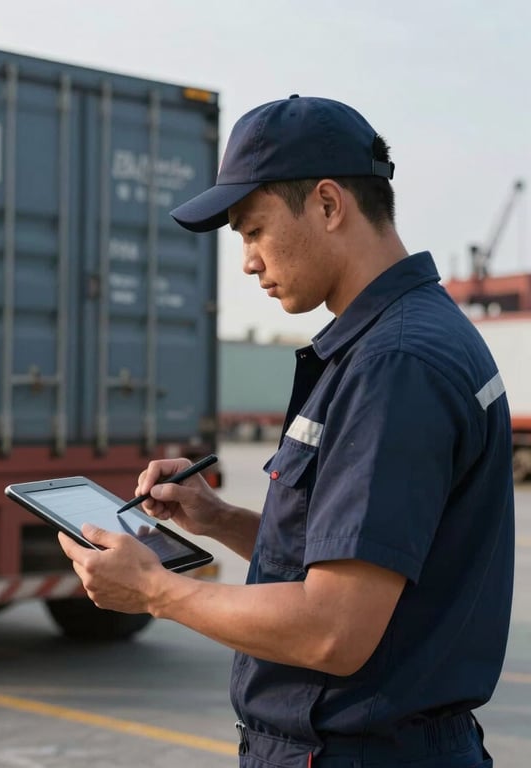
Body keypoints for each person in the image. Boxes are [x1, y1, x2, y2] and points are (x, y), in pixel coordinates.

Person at [58, 94, 514, 767]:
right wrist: (215, 518)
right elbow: (355, 559)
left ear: (328, 205)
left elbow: (334, 631)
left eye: (253, 230)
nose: (246, 261)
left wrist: (156, 590)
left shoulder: (393, 365)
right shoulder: (404, 339)